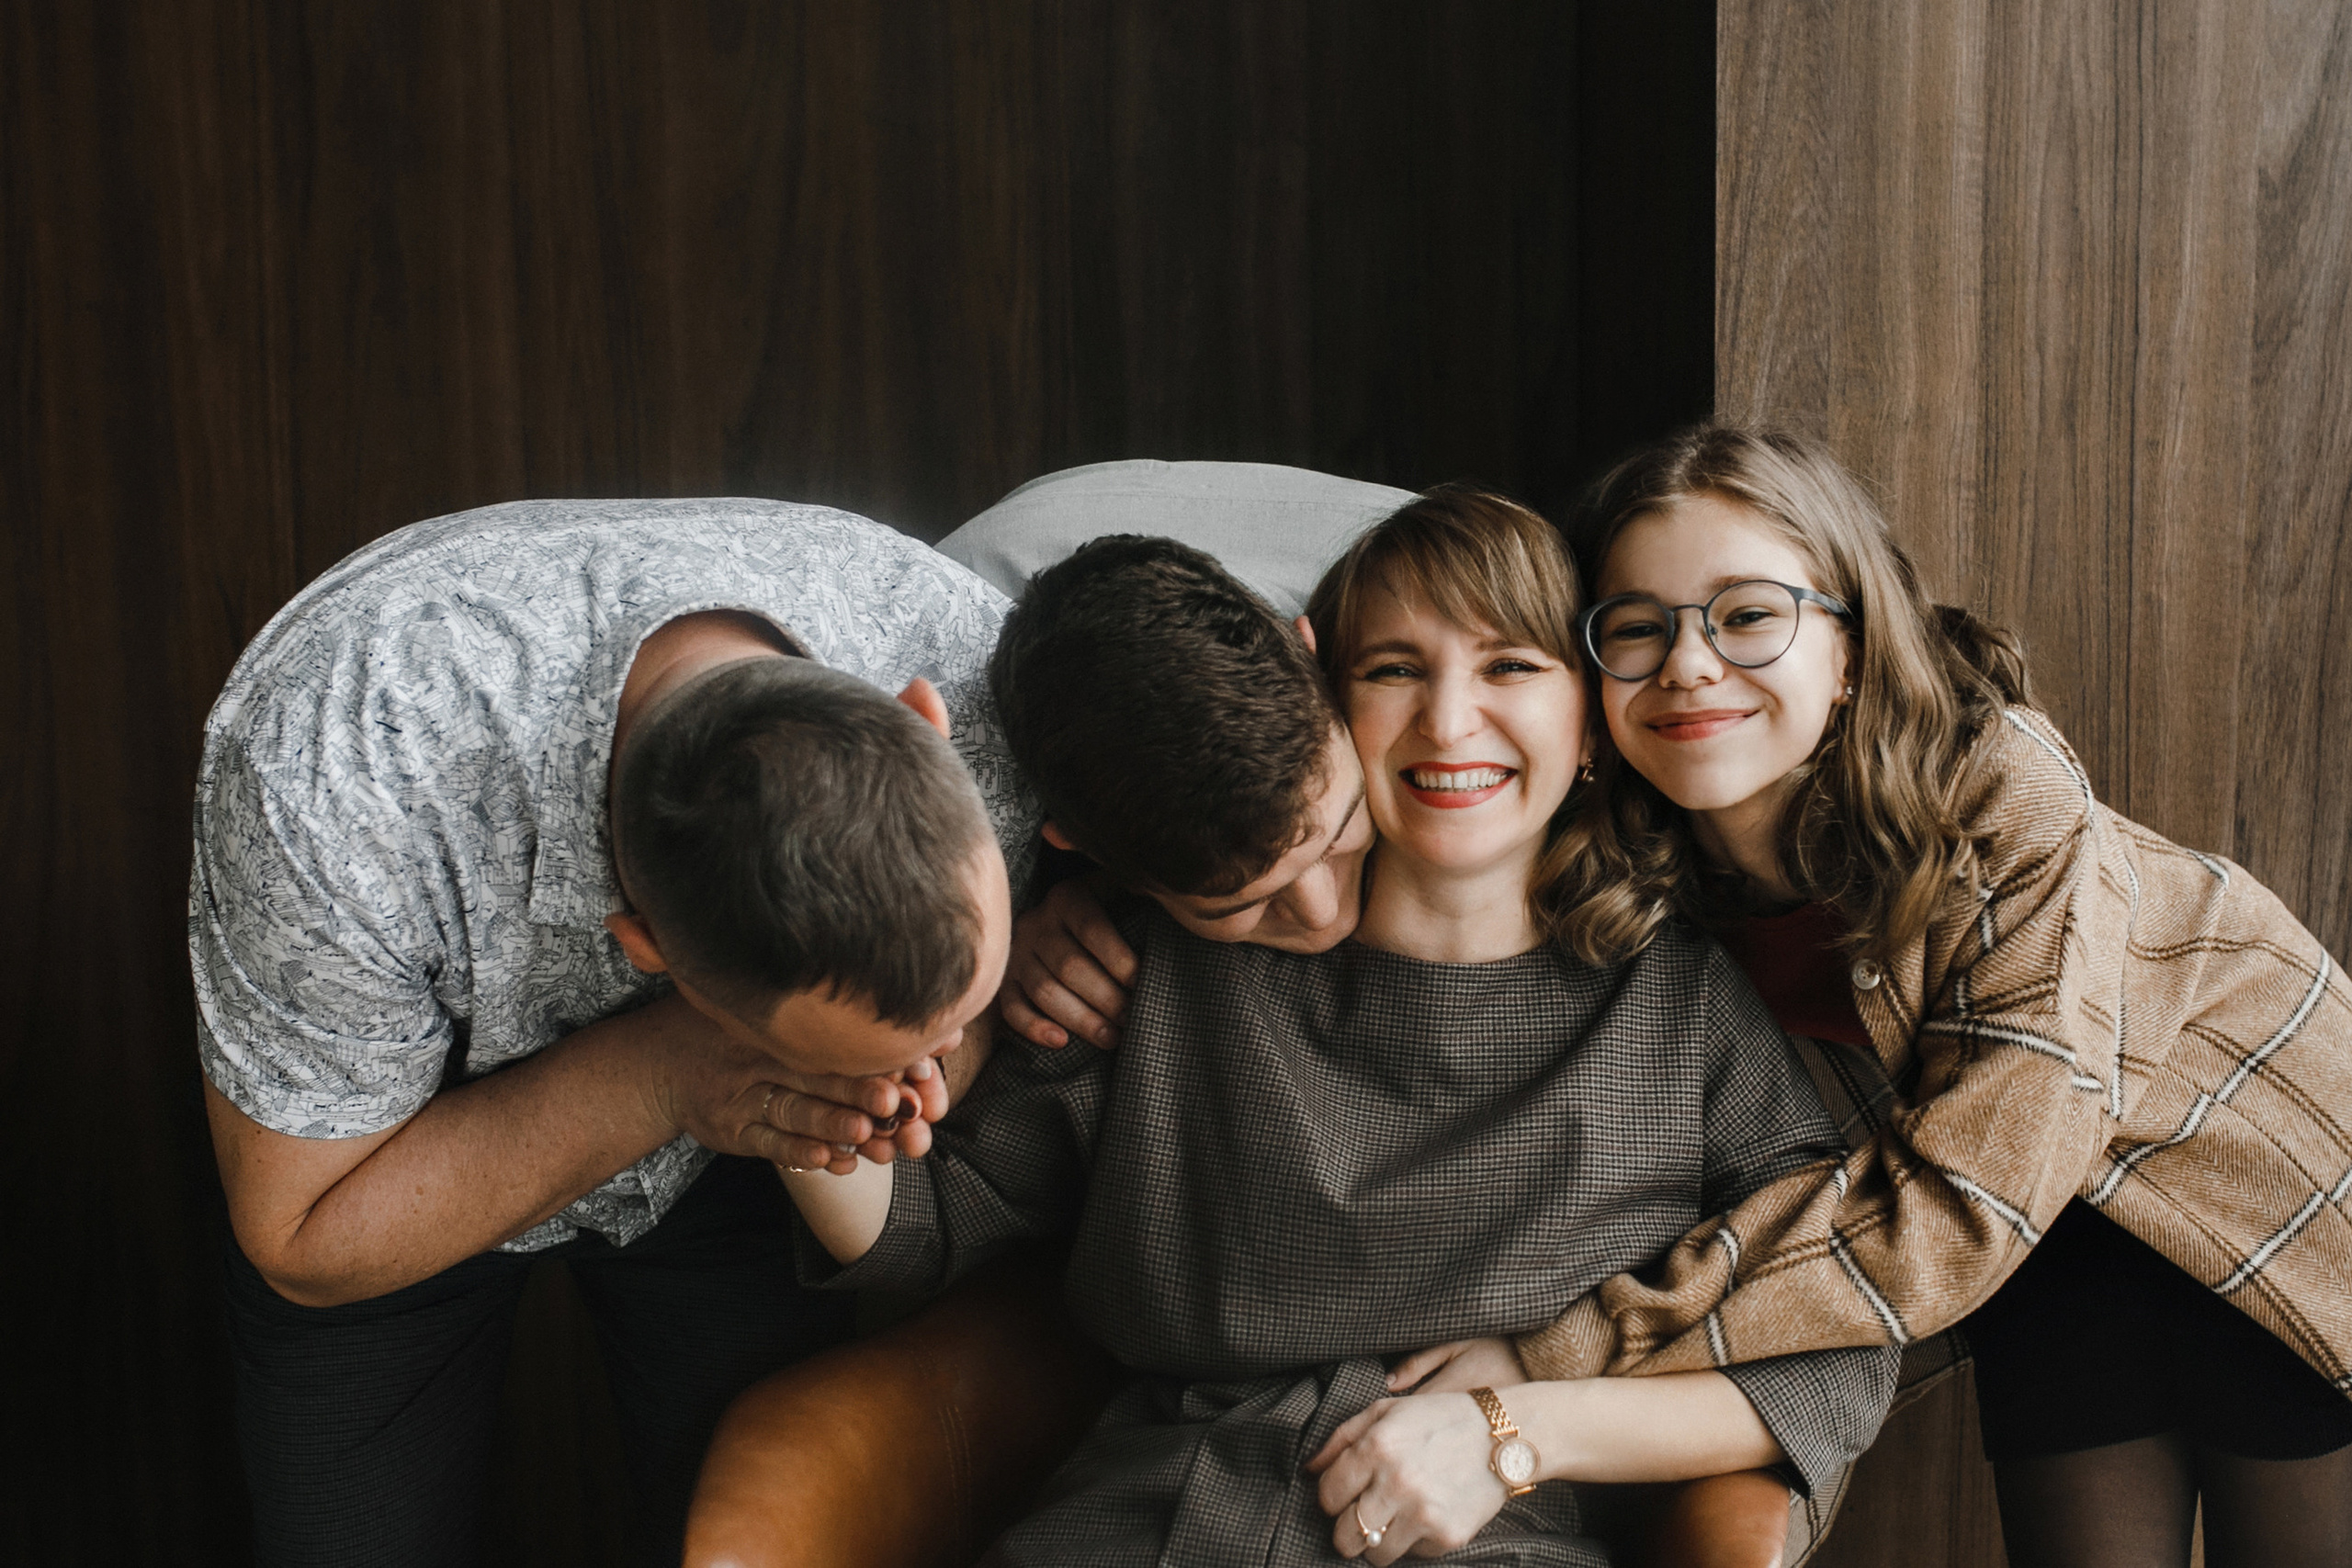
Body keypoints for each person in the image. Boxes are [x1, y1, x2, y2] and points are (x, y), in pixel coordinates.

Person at [782, 490, 1897, 1566]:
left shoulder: (1682, 1012)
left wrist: (1519, 1433)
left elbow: (1832, 1348)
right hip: (1135, 1528)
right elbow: (923, 1226)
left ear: (1591, 720)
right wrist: (807, 1048)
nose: (1449, 720)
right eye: (1392, 669)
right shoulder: (1153, 967)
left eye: (1510, 665)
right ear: (1323, 693)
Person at [1457, 426, 2352, 1568]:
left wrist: (1554, 1356)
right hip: (2046, 1268)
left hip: (2253, 1194)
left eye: (1746, 615)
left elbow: (1969, 1189)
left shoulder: (2004, 795)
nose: (1687, 663)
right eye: (1638, 627)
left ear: (1850, 650)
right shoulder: (1633, 889)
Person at [190, 496, 1030, 1566]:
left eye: (955, 1017)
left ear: (927, 723)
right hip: (382, 1150)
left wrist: (1058, 939)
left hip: (737, 1162)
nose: (932, 1077)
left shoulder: (962, 654)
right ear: (646, 954)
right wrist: (666, 1075)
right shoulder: (330, 781)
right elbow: (304, 1240)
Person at [938, 459, 1408, 1047]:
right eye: (1241, 904)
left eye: (1339, 831)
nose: (1321, 914)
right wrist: (1011, 933)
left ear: (1312, 654)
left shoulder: (1404, 600)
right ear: (1077, 843)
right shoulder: (953, 761)